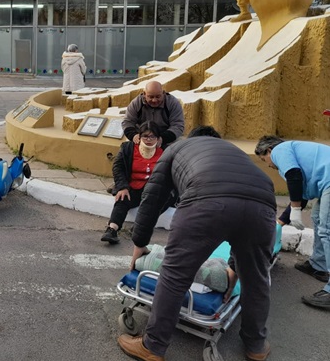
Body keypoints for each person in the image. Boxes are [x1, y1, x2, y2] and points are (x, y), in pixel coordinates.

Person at [118, 126, 277, 361]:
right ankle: (256, 346)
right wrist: (235, 267)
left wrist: (140, 243)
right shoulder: (235, 153)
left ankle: (152, 347)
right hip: (263, 208)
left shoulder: (176, 149)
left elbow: (152, 198)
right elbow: (243, 202)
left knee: (175, 275)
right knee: (257, 279)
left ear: (192, 139)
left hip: (205, 202)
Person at [255, 136, 330, 308]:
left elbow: (294, 176)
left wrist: (295, 209)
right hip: (327, 183)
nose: (268, 165)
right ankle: (318, 265)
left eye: (264, 159)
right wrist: (280, 223)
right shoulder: (295, 152)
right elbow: (301, 196)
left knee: (327, 230)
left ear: (269, 150)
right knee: (318, 219)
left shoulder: (280, 150)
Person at [101, 121, 165, 245]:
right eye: (145, 136)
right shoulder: (128, 148)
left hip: (153, 190)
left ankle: (138, 228)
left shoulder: (165, 151)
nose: (148, 140)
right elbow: (118, 167)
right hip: (133, 187)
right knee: (123, 197)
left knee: (160, 200)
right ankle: (112, 229)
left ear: (158, 138)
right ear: (139, 137)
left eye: (152, 136)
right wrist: (122, 187)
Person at [122, 80, 184, 149]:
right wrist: (133, 136)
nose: (154, 100)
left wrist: (162, 138)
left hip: (165, 137)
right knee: (127, 148)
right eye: (151, 97)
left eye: (158, 97)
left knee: (178, 147)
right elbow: (127, 122)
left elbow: (178, 125)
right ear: (144, 94)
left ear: (163, 93)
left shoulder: (173, 103)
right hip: (141, 137)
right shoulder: (136, 103)